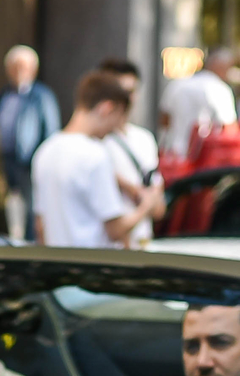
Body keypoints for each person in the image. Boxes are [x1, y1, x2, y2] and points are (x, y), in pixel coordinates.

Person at [31, 70, 163, 247]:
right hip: (94, 266)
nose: (114, 129)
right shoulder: (95, 154)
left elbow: (41, 225)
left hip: (59, 266)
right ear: (106, 108)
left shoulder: (45, 150)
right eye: (118, 117)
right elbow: (115, 229)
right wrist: (146, 206)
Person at [94, 57, 164, 245]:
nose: (127, 99)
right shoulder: (93, 142)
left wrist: (145, 197)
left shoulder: (145, 139)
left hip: (142, 244)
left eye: (132, 91)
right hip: (108, 248)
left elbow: (159, 209)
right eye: (121, 92)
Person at [0, 45, 59, 242]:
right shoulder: (3, 95)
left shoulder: (41, 96)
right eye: (14, 67)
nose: (18, 71)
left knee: (32, 206)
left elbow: (51, 130)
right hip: (6, 158)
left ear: (33, 69)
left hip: (30, 160)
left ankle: (32, 243)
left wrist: (44, 160)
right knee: (9, 206)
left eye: (22, 67)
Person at [161, 47, 237, 171]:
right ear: (222, 67)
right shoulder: (221, 90)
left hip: (174, 157)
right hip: (204, 162)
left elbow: (164, 121)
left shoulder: (177, 84)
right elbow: (229, 130)